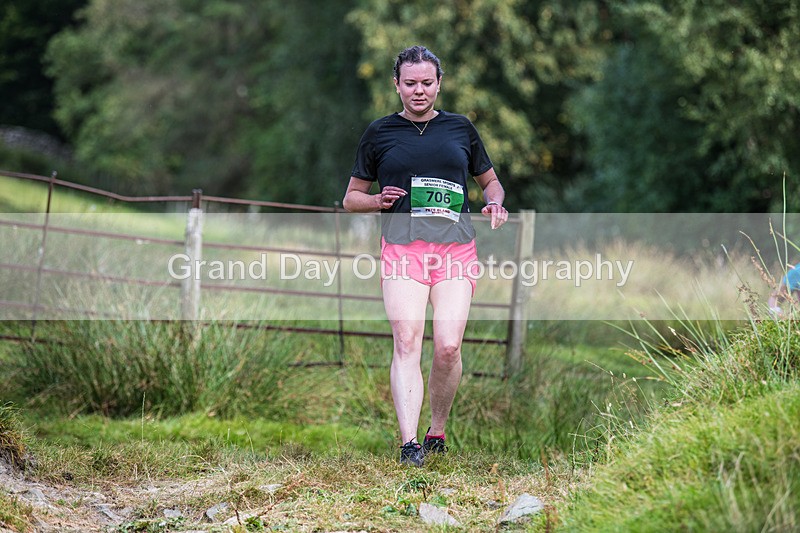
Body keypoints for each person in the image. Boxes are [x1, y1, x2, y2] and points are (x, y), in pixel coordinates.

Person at [342, 45, 508, 466]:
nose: (419, 91)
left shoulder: (460, 129)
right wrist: (378, 200)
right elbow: (350, 199)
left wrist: (494, 203)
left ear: (439, 84)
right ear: (397, 84)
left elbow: (491, 182)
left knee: (449, 346)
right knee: (407, 341)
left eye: (427, 83)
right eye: (410, 83)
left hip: (455, 250)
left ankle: (437, 428)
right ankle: (409, 443)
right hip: (402, 250)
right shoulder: (379, 133)